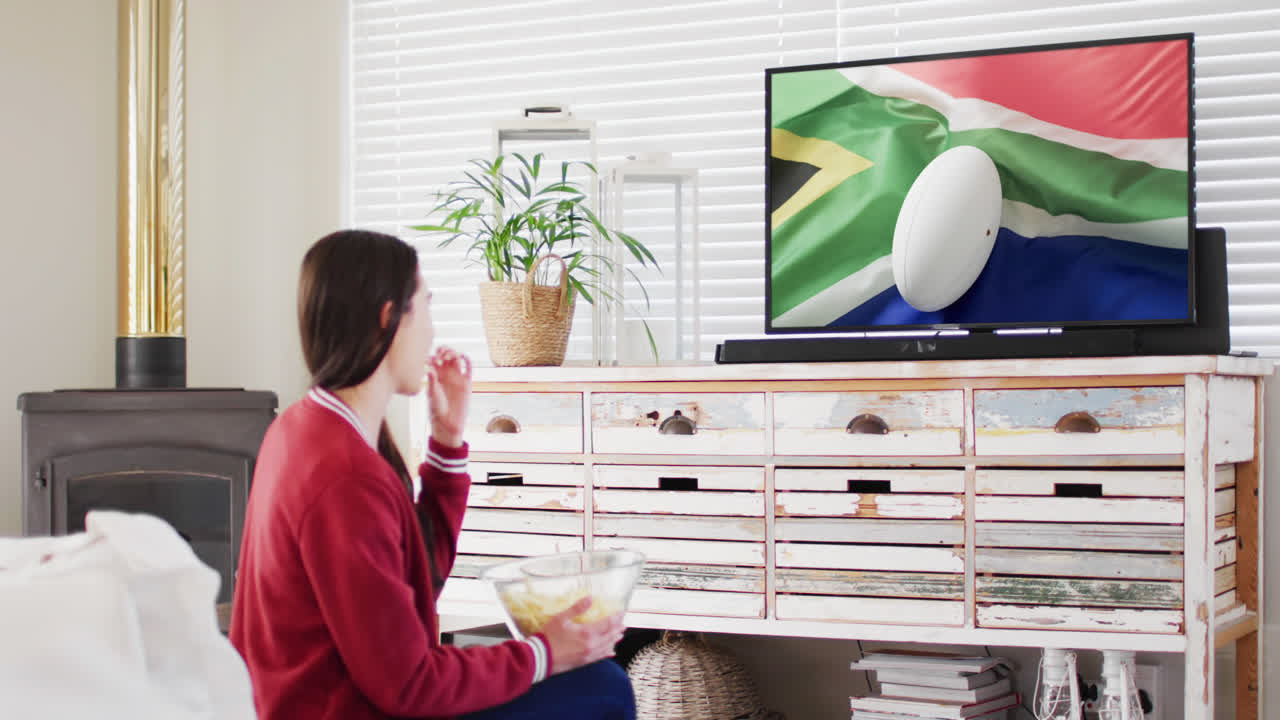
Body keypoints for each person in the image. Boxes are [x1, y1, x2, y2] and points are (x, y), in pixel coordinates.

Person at [230, 229, 634, 719]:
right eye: (425, 307)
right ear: (388, 317)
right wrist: (545, 653)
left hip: (332, 698)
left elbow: (415, 583)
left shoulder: (303, 428)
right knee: (603, 688)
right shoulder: (344, 477)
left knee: (591, 680)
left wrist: (447, 442)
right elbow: (409, 686)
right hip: (349, 707)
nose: (432, 330)